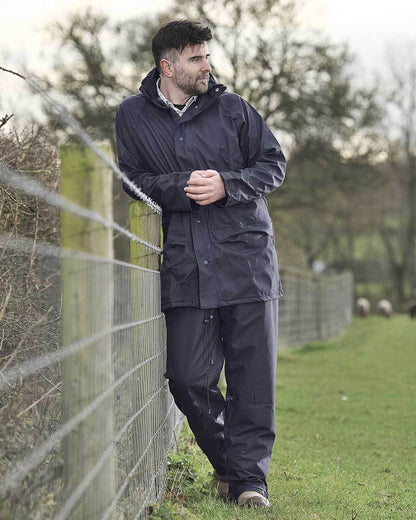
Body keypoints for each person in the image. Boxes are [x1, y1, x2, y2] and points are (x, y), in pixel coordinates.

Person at [115, 20, 286, 508]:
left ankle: (250, 483)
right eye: (195, 59)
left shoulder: (234, 110)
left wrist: (228, 186)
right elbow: (133, 178)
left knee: (252, 380)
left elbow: (272, 164)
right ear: (167, 66)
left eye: (207, 56)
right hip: (187, 267)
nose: (207, 65)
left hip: (248, 261)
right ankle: (231, 465)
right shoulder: (132, 116)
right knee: (188, 378)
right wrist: (187, 189)